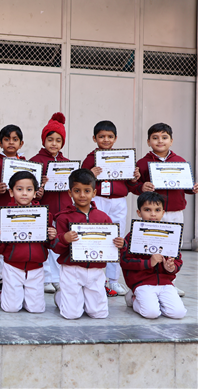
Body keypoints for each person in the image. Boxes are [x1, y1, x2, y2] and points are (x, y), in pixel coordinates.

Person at [135, 122, 198, 296]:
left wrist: (192, 188)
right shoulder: (142, 163)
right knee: (151, 246)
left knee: (173, 248)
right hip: (152, 213)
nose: (160, 141)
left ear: (171, 140)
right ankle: (149, 280)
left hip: (175, 212)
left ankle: (170, 283)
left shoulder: (180, 162)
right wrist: (141, 186)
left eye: (164, 137)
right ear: (148, 142)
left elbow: (185, 185)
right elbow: (134, 185)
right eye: (155, 138)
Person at [53, 169, 125, 320]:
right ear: (70, 193)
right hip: (71, 268)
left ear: (94, 193)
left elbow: (111, 247)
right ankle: (60, 297)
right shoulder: (63, 217)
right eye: (77, 191)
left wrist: (119, 244)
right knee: (71, 315)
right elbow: (56, 247)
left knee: (99, 314)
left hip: (96, 269)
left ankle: (82, 299)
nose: (82, 195)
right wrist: (64, 238)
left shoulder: (103, 218)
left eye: (87, 191)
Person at [81, 120, 141, 297]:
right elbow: (81, 181)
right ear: (94, 138)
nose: (106, 140)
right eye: (101, 136)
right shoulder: (90, 159)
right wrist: (90, 175)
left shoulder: (123, 158)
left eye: (110, 136)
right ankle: (96, 278)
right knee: (96, 236)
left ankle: (113, 279)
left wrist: (134, 178)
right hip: (98, 199)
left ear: (115, 138)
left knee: (116, 239)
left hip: (119, 201)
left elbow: (130, 184)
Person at [0, 171, 57, 313]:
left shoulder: (45, 215)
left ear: (35, 193)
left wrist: (52, 237)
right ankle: (3, 289)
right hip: (12, 266)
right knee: (11, 308)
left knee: (36, 309)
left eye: (29, 189)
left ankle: (24, 295)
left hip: (36, 267)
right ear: (11, 192)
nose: (24, 193)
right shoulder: (4, 215)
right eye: (19, 189)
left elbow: (49, 245)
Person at [120, 192, 186, 319]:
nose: (153, 214)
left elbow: (178, 260)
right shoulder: (132, 236)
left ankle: (154, 301)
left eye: (157, 210)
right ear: (139, 212)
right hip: (142, 282)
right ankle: (133, 298)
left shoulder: (170, 235)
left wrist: (171, 267)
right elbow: (124, 261)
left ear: (163, 212)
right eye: (147, 210)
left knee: (179, 313)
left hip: (165, 283)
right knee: (151, 313)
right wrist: (149, 263)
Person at [29, 113, 70, 294]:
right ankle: (46, 278)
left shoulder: (67, 163)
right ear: (43, 140)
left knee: (58, 243)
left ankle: (57, 278)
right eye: (50, 139)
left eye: (58, 140)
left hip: (63, 211)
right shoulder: (35, 162)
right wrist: (40, 189)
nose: (54, 144)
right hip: (44, 210)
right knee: (44, 242)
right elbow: (29, 189)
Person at [0, 124, 27, 297]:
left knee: (15, 246)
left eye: (15, 139)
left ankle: (13, 281)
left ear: (21, 143)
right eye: (6, 139)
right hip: (0, 210)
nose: (11, 142)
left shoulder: (25, 163)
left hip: (19, 212)